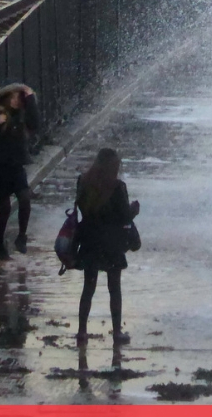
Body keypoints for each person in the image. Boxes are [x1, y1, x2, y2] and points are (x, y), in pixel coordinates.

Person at [74, 148, 139, 347]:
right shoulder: (118, 187)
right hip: (112, 242)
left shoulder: (83, 181)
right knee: (114, 288)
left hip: (89, 239)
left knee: (88, 287)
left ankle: (82, 331)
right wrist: (134, 211)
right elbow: (123, 216)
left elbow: (81, 207)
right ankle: (117, 332)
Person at [0, 83, 40, 259]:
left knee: (25, 198)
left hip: (15, 167)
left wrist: (30, 97)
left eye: (19, 98)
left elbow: (35, 122)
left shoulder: (21, 116)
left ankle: (21, 237)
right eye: (14, 98)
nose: (17, 101)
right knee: (4, 207)